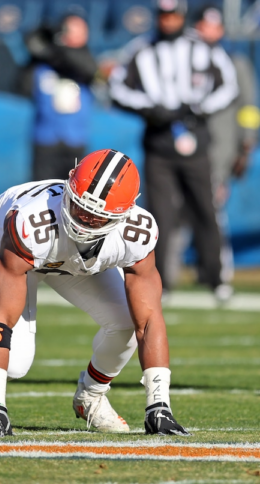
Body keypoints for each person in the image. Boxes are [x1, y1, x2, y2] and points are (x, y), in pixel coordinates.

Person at [0, 149, 189, 437]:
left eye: (96, 217)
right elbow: (0, 316)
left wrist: (159, 405)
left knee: (126, 320)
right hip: (6, 243)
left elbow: (148, 321)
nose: (83, 220)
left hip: (64, 252)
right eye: (79, 207)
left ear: (123, 215)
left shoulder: (137, 232)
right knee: (15, 363)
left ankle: (91, 395)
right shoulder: (31, 222)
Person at [108, 0, 238, 299]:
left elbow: (228, 87)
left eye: (173, 16)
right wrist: (150, 108)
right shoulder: (141, 49)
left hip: (195, 138)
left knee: (205, 208)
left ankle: (216, 278)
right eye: (164, 16)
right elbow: (117, 87)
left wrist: (200, 108)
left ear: (182, 16)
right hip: (159, 141)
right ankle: (161, 280)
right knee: (160, 214)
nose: (168, 21)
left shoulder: (203, 48)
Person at [195, 4, 258, 290]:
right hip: (186, 148)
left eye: (214, 26)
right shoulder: (184, 59)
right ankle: (169, 273)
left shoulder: (236, 63)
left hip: (220, 149)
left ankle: (218, 272)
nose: (209, 31)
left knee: (213, 212)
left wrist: (247, 143)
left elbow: (249, 107)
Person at [22, 11, 97, 180]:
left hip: (75, 138)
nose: (74, 35)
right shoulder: (43, 64)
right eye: (69, 30)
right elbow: (23, 87)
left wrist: (56, 50)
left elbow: (89, 70)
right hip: (45, 138)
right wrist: (36, 54)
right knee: (42, 188)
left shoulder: (84, 59)